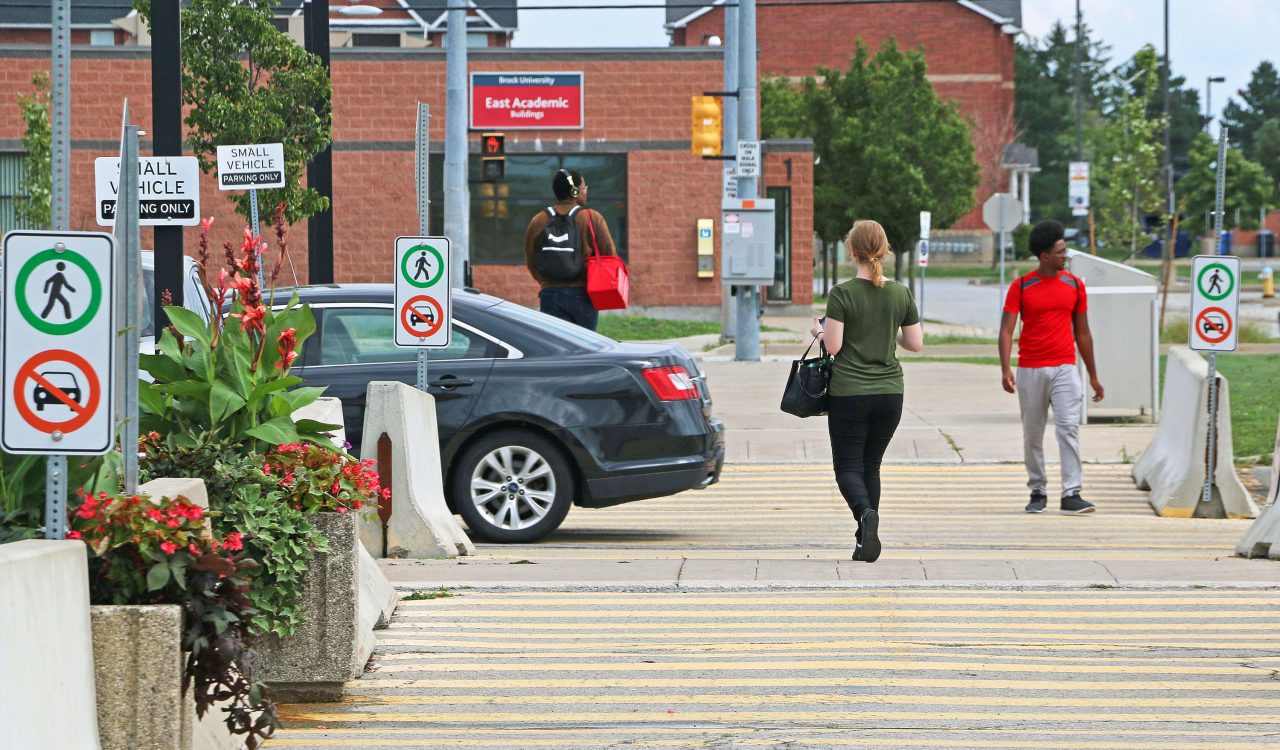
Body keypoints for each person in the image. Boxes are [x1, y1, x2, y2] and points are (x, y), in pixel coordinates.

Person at [811, 219, 923, 563]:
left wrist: (818, 330)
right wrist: (889, 332)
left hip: (850, 393)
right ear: (885, 250)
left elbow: (833, 346)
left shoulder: (842, 293)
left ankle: (864, 514)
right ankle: (864, 542)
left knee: (847, 467)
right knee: (870, 466)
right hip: (891, 393)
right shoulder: (901, 292)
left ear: (852, 250)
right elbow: (915, 343)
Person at [998, 220, 1104, 515]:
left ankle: (1072, 493)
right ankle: (1038, 490)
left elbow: (1083, 332)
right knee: (1033, 432)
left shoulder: (1075, 285)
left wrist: (1093, 376)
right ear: (1045, 256)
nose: (1065, 255)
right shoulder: (1021, 286)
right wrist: (1006, 368)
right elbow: (1006, 329)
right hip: (1030, 368)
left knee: (1068, 427)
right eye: (1060, 251)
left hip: (1064, 367)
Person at [523, 169, 618, 331]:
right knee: (585, 348)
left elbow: (531, 260)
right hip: (584, 294)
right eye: (583, 187)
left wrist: (546, 282)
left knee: (557, 350)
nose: (585, 191)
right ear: (575, 191)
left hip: (550, 294)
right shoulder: (592, 218)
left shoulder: (538, 220)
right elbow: (610, 256)